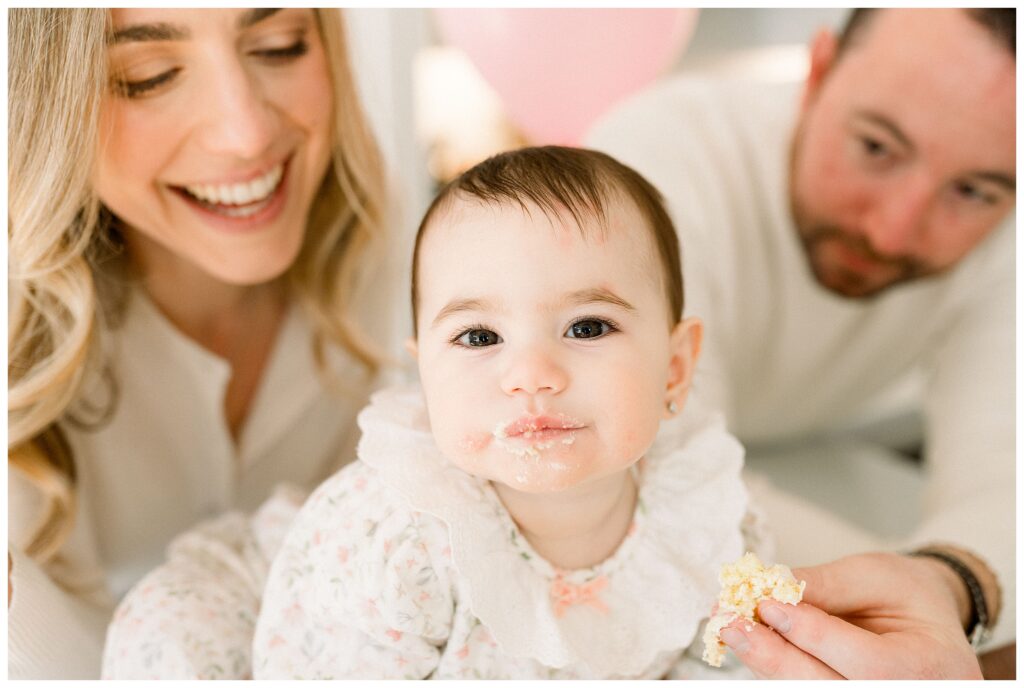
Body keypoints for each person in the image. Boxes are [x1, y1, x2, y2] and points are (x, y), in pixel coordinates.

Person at [104, 146, 771, 679]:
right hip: (277, 622)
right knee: (169, 650)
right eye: (479, 338)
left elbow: (721, 663)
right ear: (426, 374)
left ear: (676, 367)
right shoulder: (398, 540)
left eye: (587, 327)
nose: (531, 375)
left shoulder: (708, 523)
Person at [586, 7, 1014, 679]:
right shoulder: (652, 165)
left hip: (821, 471)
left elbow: (1006, 473)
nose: (893, 232)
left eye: (972, 191)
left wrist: (948, 585)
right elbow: (665, 485)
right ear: (815, 74)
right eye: (876, 147)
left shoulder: (1009, 232)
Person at [7, 8, 394, 679]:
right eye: (146, 77)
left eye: (279, 46)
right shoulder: (18, 338)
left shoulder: (396, 264)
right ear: (50, 102)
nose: (245, 134)